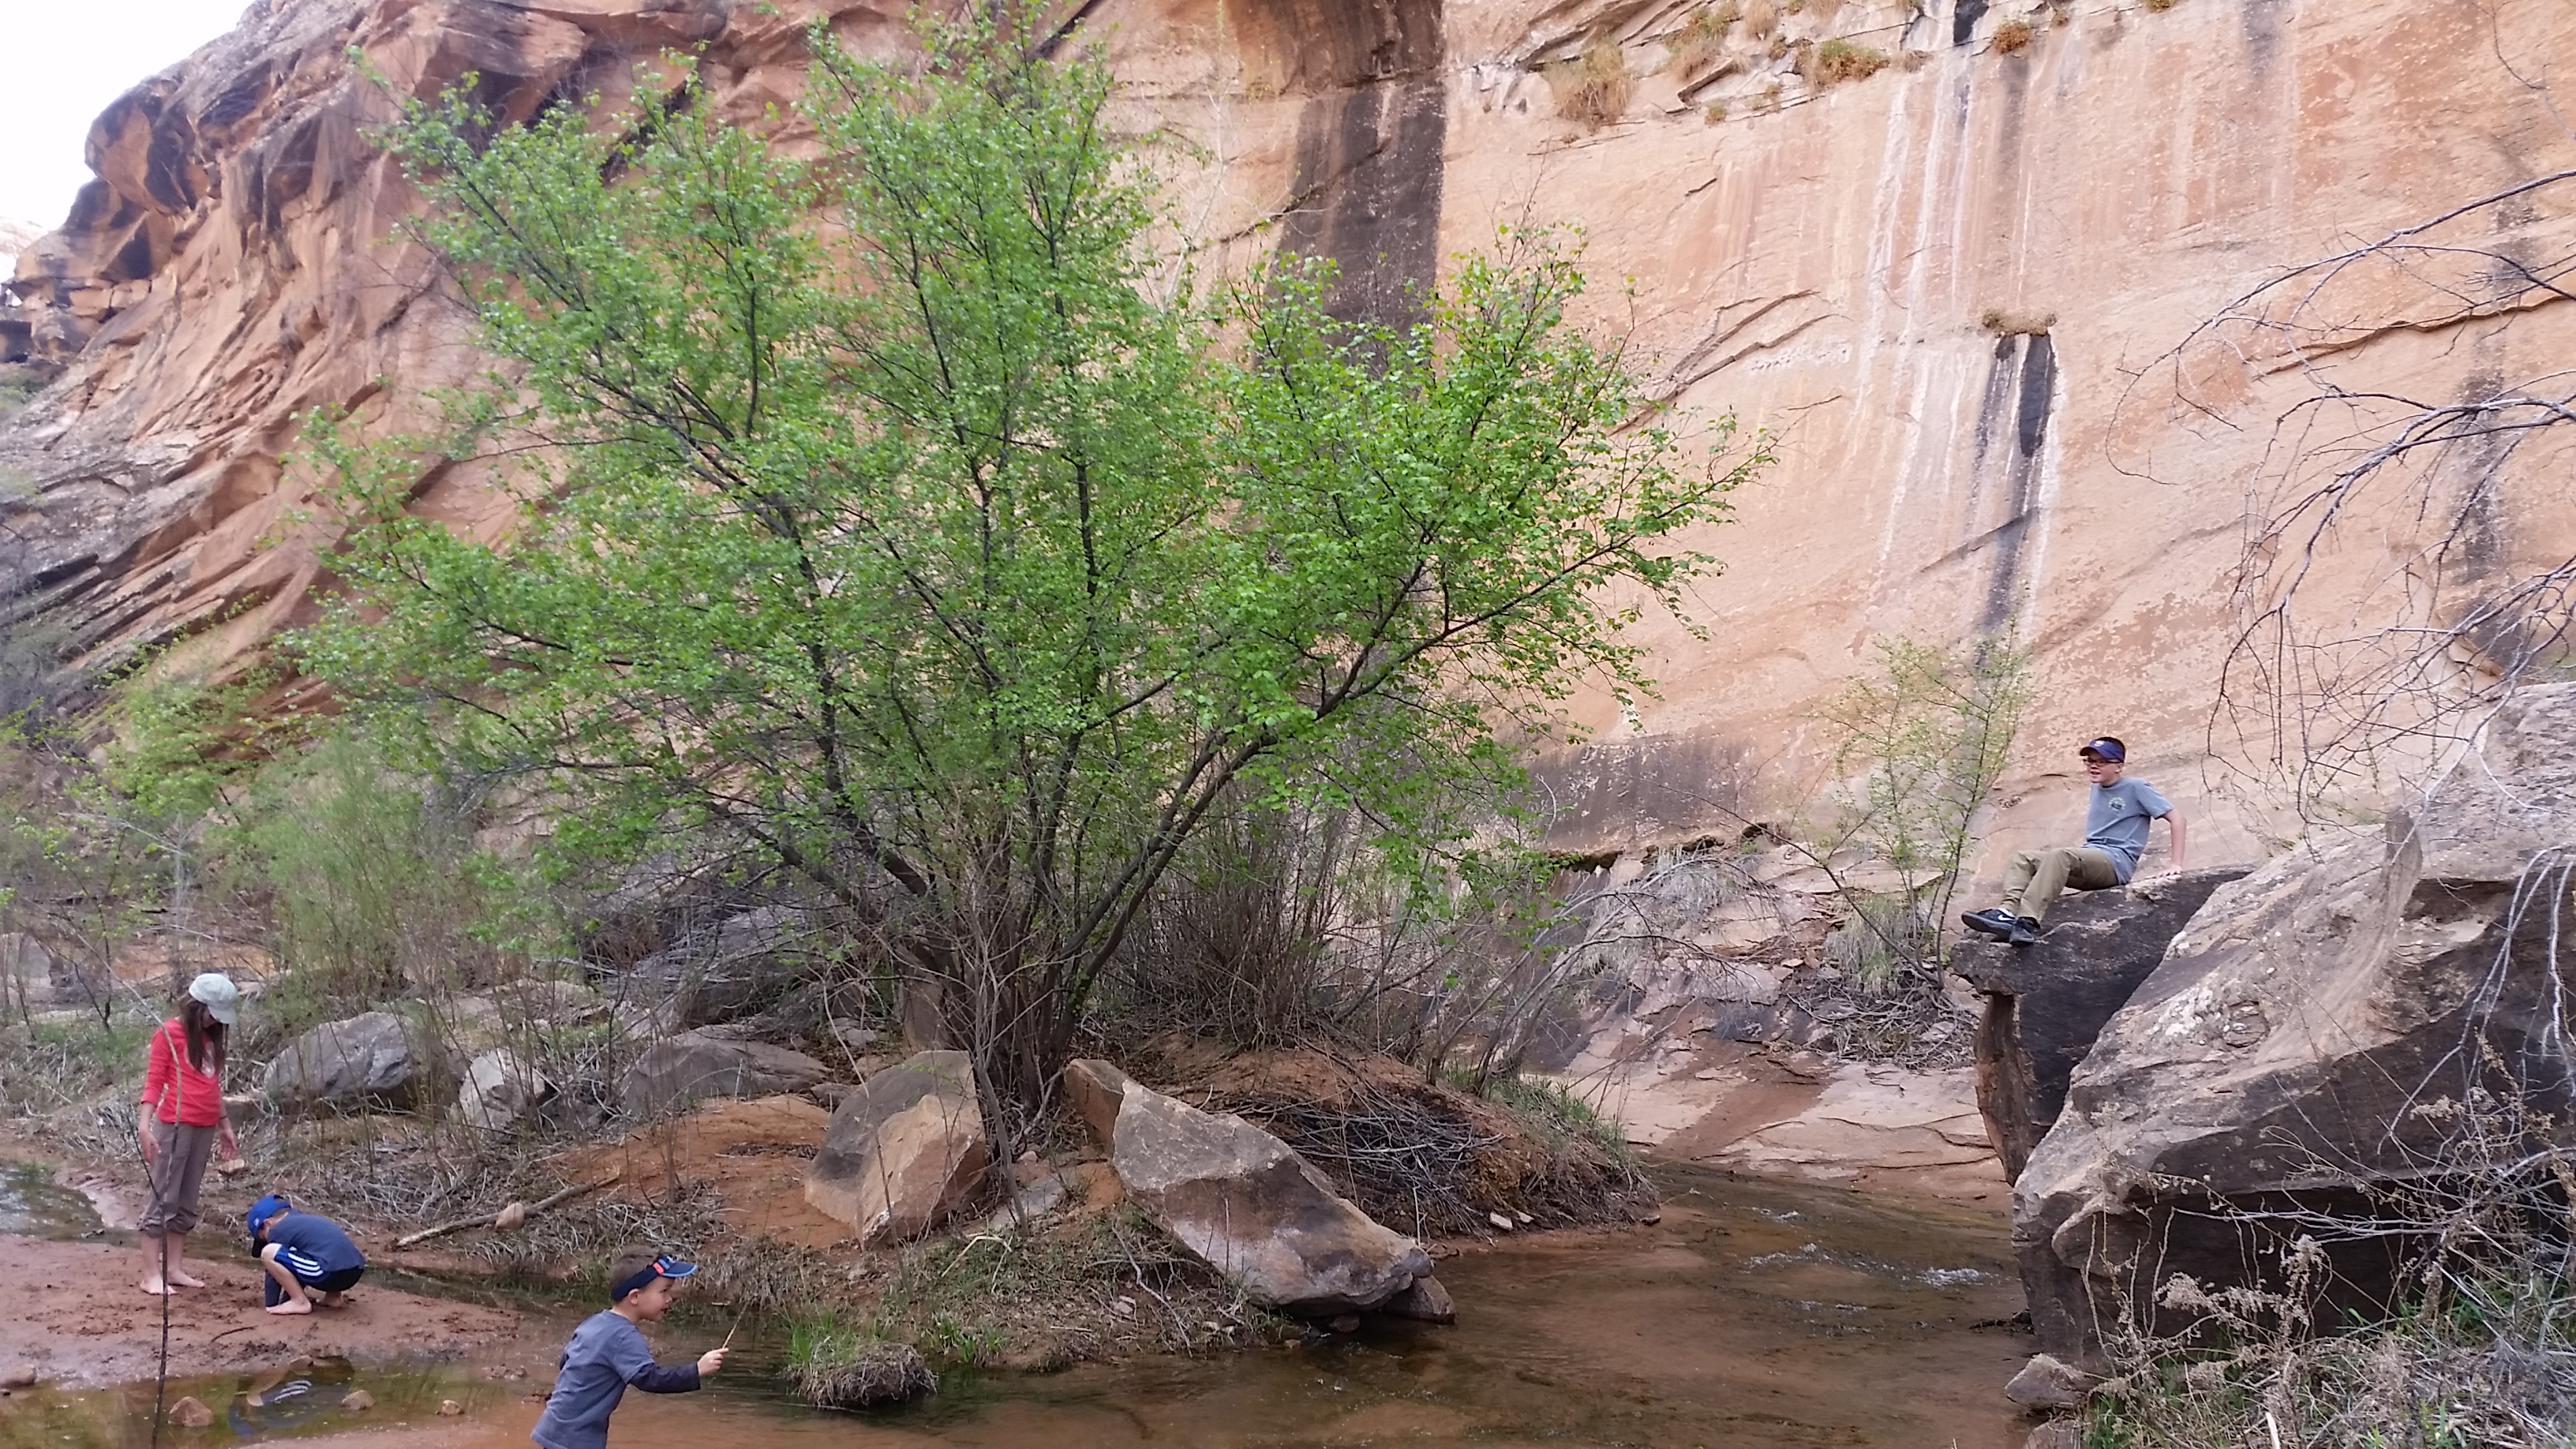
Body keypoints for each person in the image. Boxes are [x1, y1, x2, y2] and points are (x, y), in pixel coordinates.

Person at [1963, 736, 2188, 946]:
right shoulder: (2097, 788)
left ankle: (2028, 921)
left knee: (2061, 855)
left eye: (2102, 761)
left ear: (2119, 766)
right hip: (2091, 857)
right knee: (2023, 858)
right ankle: (2008, 913)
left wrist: (2175, 864)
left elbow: (2177, 818)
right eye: (2090, 761)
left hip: (2116, 863)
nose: (2094, 766)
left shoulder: (2136, 787)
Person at [530, 1252, 728, 1449]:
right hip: (576, 1437)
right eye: (664, 1291)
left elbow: (566, 1361)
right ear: (634, 1297)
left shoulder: (596, 1322)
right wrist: (697, 1370)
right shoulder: (623, 1336)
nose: (670, 1299)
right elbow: (649, 1379)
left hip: (556, 1424)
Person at [139, 972, 243, 1296]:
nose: (214, 1022)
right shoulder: (168, 1034)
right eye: (211, 1014)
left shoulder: (209, 1040)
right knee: (163, 1197)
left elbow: (211, 1086)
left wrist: (224, 1125)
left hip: (203, 1126)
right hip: (173, 1126)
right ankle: (151, 1274)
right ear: (196, 1007)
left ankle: (174, 1269)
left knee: (186, 1200)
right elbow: (154, 1082)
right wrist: (144, 1125)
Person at [247, 1193, 366, 1315]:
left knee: (268, 1253)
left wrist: (271, 1305)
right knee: (311, 1252)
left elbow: (273, 1273)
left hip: (328, 1273)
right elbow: (296, 1264)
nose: (267, 1240)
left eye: (263, 1238)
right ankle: (333, 1298)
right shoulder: (304, 1220)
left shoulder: (277, 1230)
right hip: (355, 1271)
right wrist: (285, 1301)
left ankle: (300, 1302)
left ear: (268, 1223)